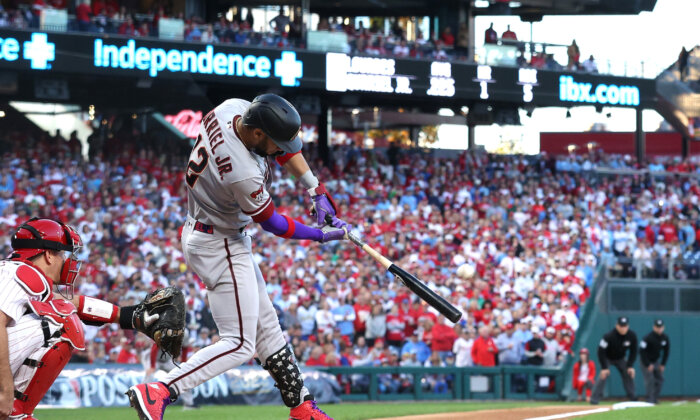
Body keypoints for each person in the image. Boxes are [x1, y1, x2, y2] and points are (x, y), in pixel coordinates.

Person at [126, 94, 349, 420]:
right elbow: (272, 222)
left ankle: (302, 408)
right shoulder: (241, 171)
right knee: (241, 343)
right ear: (257, 134)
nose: (280, 149)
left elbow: (287, 149)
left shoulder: (232, 109)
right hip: (221, 242)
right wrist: (319, 234)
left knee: (268, 329)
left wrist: (314, 188)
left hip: (208, 231)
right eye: (274, 142)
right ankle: (160, 389)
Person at [1, 218, 158, 419]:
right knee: (63, 320)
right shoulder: (21, 274)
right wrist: (5, 391)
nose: (66, 261)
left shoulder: (17, 273)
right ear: (49, 255)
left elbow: (74, 303)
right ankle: (17, 412)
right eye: (62, 254)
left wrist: (128, 316)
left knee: (59, 309)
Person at [590, 316, 638, 405]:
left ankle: (633, 397)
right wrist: (604, 367)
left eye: (625, 326)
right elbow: (601, 351)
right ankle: (594, 399)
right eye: (621, 326)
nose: (623, 328)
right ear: (617, 326)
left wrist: (630, 365)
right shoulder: (609, 336)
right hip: (607, 358)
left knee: (628, 373)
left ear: (628, 326)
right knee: (603, 375)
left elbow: (634, 351)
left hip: (620, 358)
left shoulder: (632, 336)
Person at [640, 319, 669, 404]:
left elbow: (666, 352)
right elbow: (642, 352)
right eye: (657, 327)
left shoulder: (665, 338)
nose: (659, 329)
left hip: (656, 361)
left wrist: (663, 364)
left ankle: (655, 399)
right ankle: (649, 399)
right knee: (650, 380)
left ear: (663, 327)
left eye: (661, 327)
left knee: (660, 379)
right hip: (646, 361)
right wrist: (647, 364)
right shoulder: (647, 338)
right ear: (654, 327)